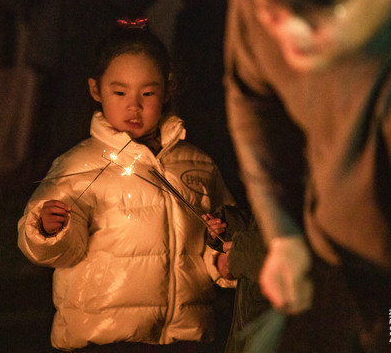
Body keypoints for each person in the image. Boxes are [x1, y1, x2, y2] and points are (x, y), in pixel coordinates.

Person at [224, 0, 391, 351]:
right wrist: (282, 231)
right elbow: (251, 94)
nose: (293, 35)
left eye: (317, 18)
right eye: (275, 17)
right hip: (331, 260)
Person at [18, 19, 234, 352]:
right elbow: (59, 250)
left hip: (183, 335)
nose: (134, 105)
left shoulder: (197, 165)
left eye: (147, 93)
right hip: (105, 335)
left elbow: (217, 237)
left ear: (167, 89)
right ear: (96, 90)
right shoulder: (79, 166)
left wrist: (221, 259)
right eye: (119, 92)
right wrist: (49, 229)